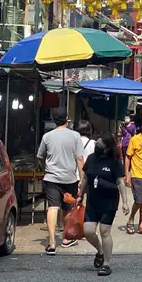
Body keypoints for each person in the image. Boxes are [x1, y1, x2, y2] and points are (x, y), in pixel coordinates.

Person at [77, 133, 129, 276]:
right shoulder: (91, 159)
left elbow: (120, 182)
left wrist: (125, 202)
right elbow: (86, 178)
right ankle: (100, 251)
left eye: (99, 144)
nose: (96, 145)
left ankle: (106, 263)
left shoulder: (115, 162)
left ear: (106, 147)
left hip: (109, 202)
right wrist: (80, 195)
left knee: (105, 232)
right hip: (92, 201)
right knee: (87, 231)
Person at [36, 106, 85, 255]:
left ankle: (51, 243)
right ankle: (65, 238)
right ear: (67, 118)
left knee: (52, 207)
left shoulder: (47, 136)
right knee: (67, 208)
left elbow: (40, 156)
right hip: (70, 178)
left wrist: (45, 168)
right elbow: (80, 158)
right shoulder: (75, 136)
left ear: (53, 119)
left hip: (51, 178)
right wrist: (82, 179)